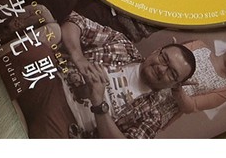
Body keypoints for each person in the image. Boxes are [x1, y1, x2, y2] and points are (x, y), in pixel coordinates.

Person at [45, 10, 197, 139]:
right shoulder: (122, 46)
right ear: (156, 51)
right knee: (44, 39)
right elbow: (76, 22)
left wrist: (99, 104)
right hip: (53, 79)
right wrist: (79, 58)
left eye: (172, 73)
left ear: (175, 85)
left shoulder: (152, 115)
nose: (162, 69)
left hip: (68, 125)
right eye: (164, 59)